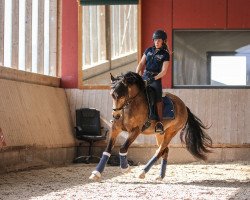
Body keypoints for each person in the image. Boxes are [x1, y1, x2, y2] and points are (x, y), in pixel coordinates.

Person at [136, 29, 170, 133]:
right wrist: (137, 73)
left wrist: (154, 78)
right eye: (155, 40)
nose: (157, 42)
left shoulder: (165, 54)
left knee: (158, 99)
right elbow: (141, 63)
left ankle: (159, 122)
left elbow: (164, 71)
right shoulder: (148, 50)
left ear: (163, 41)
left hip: (156, 78)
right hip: (145, 75)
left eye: (159, 40)